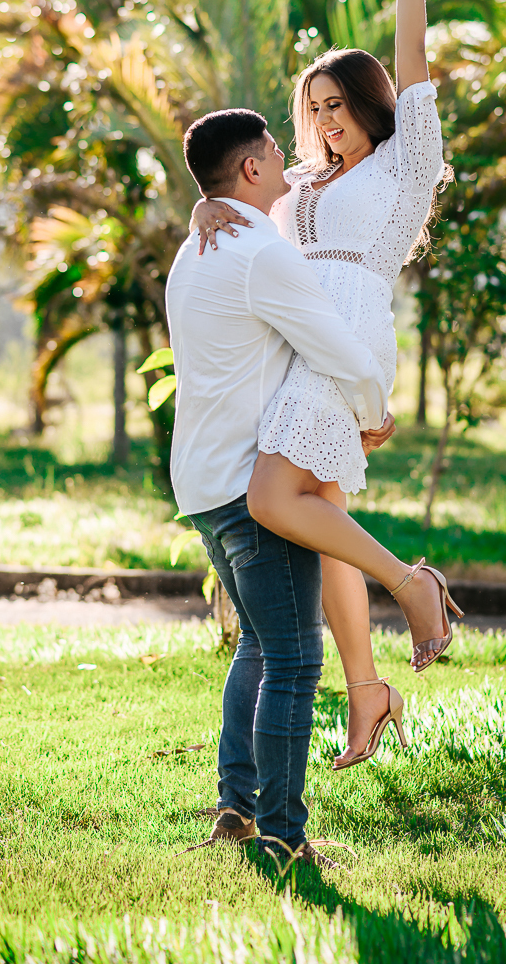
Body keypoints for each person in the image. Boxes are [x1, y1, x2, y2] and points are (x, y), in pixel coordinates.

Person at [190, 0, 462, 770]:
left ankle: (410, 582)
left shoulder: (403, 165)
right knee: (315, 515)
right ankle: (367, 692)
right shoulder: (302, 184)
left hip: (345, 334)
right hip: (292, 339)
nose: (322, 123)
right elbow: (239, 198)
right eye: (312, 112)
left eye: (336, 106)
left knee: (276, 500)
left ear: (369, 103)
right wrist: (206, 211)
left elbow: (413, 53)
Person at [167, 107, 395, 866]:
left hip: (200, 481)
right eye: (273, 149)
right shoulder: (262, 254)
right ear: (253, 170)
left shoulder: (196, 244)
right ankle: (282, 836)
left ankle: (236, 810)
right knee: (294, 657)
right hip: (247, 483)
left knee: (259, 651)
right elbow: (343, 352)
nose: (287, 156)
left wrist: (206, 198)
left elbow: (298, 177)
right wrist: (375, 412)